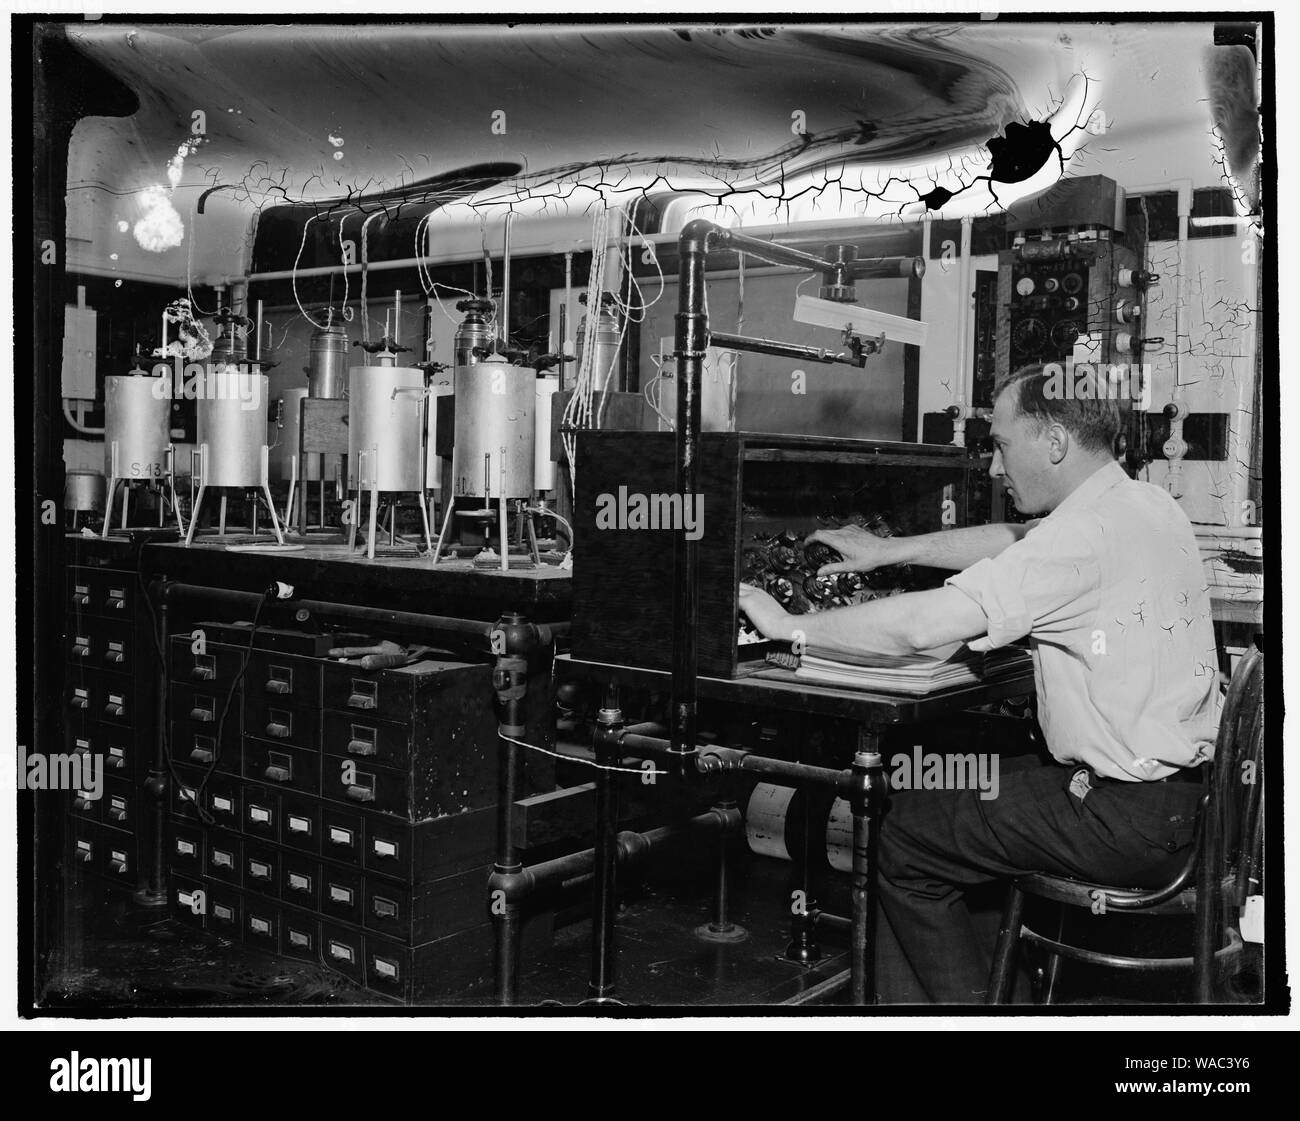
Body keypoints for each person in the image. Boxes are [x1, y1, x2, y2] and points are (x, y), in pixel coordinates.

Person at [737, 363, 1221, 1003]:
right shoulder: (1143, 502)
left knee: (898, 835)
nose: (994, 468)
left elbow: (920, 631)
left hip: (1122, 817)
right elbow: (1014, 541)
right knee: (941, 790)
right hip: (1186, 802)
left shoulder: (1084, 535)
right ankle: (1002, 997)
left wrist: (789, 626)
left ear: (1053, 443)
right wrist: (890, 550)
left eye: (1000, 445)